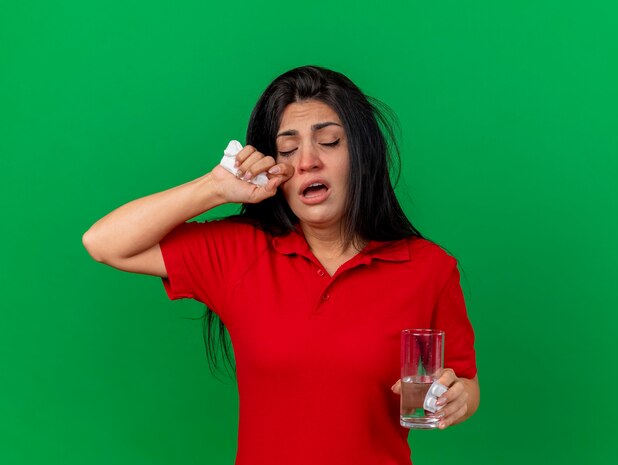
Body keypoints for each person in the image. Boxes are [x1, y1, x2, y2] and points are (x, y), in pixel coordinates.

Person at [83, 65, 479, 465]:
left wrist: (459, 399)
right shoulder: (241, 252)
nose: (307, 161)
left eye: (328, 141)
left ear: (362, 153)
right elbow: (104, 242)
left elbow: (464, 380)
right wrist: (215, 187)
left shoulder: (429, 268)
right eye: (287, 150)